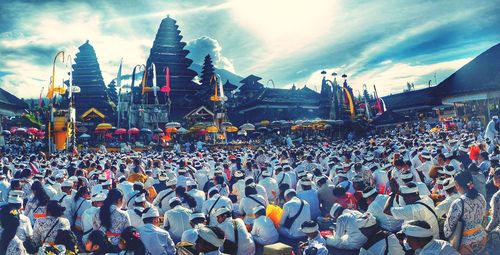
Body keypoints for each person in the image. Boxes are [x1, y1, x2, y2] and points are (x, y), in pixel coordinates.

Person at [444, 170, 488, 254]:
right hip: (482, 237)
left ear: (457, 185)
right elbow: (483, 215)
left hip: (466, 244)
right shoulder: (481, 197)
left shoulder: (458, 203)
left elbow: (448, 228)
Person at [486, 168, 500, 249]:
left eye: (494, 177)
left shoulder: (497, 197)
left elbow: (495, 219)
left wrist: (486, 231)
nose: (492, 179)